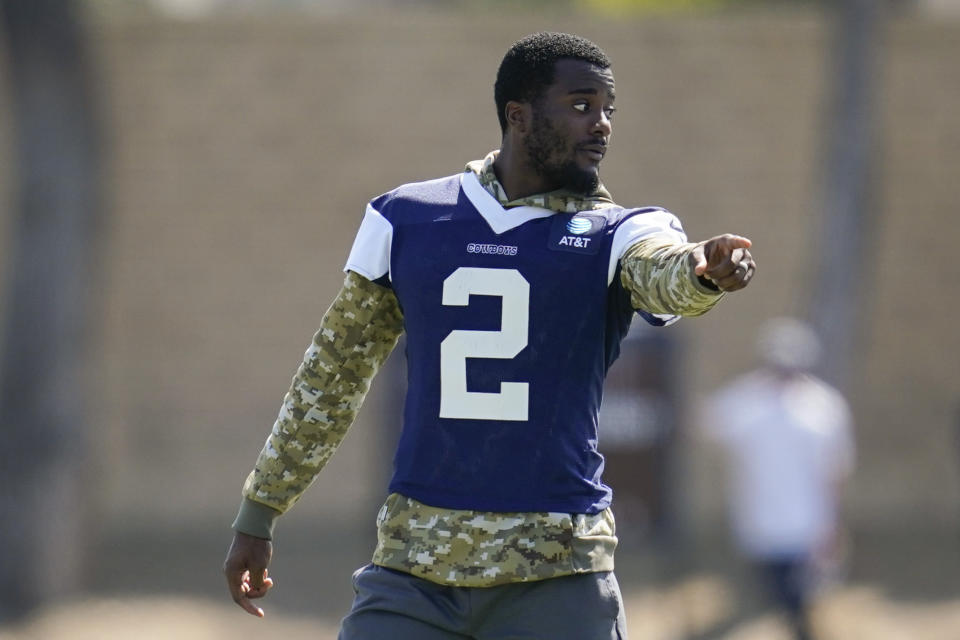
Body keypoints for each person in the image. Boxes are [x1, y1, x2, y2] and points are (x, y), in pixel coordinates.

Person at [223, 32, 756, 639]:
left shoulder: (620, 232)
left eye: (609, 110)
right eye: (582, 105)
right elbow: (332, 375)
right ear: (518, 116)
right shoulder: (409, 217)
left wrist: (703, 271)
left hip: (556, 575)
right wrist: (259, 512)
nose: (601, 125)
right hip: (414, 572)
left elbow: (666, 274)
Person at [701, 318, 854, 640]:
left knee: (796, 601)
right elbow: (707, 424)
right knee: (775, 595)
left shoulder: (823, 407)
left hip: (806, 526)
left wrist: (833, 525)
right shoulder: (746, 400)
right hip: (759, 524)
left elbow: (835, 470)